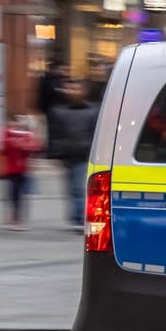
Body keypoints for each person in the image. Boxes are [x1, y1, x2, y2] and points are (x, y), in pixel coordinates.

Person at [47, 79, 98, 229]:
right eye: (69, 89)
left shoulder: (93, 111)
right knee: (70, 189)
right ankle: (75, 217)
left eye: (76, 89)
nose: (72, 92)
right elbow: (55, 134)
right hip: (68, 155)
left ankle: (80, 218)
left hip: (84, 154)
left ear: (84, 91)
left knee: (78, 188)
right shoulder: (59, 111)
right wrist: (55, 154)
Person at [1, 114, 41, 230]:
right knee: (13, 194)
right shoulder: (7, 134)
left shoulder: (28, 135)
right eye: (14, 121)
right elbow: (4, 149)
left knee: (23, 195)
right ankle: (14, 217)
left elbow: (36, 148)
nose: (15, 124)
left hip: (25, 170)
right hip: (12, 170)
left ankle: (20, 218)